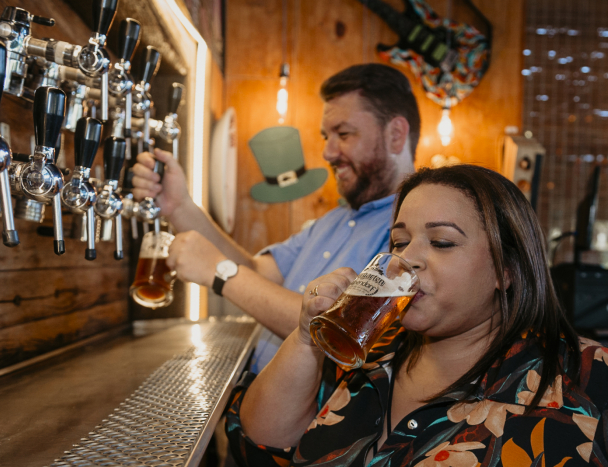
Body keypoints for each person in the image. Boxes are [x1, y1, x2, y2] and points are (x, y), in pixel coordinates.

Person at [225, 164, 608, 466]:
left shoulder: (585, 375)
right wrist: (306, 336)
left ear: (505, 270)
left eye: (441, 242)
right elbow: (260, 445)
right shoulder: (367, 350)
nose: (408, 258)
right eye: (400, 242)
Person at [131, 64, 420, 371]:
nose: (327, 152)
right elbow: (257, 270)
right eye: (326, 136)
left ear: (396, 135)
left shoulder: (409, 235)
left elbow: (337, 330)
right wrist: (178, 207)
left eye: (343, 134)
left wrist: (220, 273)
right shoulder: (333, 220)